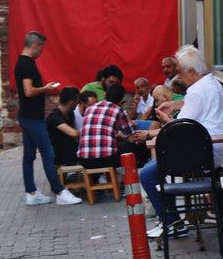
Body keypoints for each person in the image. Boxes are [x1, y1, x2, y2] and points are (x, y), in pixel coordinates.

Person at [140, 45, 223, 240]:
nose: (177, 77)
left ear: (191, 71)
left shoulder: (198, 91)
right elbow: (195, 107)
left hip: (201, 154)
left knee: (147, 174)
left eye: (179, 72)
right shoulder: (210, 83)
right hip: (208, 149)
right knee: (151, 167)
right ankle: (171, 220)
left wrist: (164, 121)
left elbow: (179, 129)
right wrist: (175, 104)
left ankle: (172, 222)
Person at [13, 31, 82, 206]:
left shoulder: (20, 63)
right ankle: (59, 191)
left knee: (29, 155)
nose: (42, 52)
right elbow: (28, 91)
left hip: (26, 115)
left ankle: (31, 193)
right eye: (42, 48)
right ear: (35, 45)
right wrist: (46, 88)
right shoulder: (27, 64)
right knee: (47, 152)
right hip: (33, 118)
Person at [77, 83, 141, 170]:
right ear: (121, 101)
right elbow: (131, 139)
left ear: (105, 95)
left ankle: (99, 179)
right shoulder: (119, 111)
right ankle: (132, 178)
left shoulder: (89, 109)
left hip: (84, 159)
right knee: (134, 147)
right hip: (106, 159)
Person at [46, 86, 82, 167]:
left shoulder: (70, 114)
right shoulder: (53, 116)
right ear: (71, 102)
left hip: (70, 155)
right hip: (59, 159)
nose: (78, 103)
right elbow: (74, 134)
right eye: (77, 101)